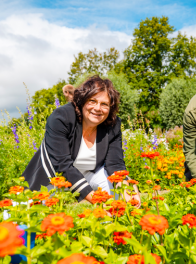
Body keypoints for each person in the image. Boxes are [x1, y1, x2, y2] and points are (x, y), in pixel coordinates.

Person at [23, 75, 141, 206]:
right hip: (53, 176)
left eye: (104, 104)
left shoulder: (112, 124)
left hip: (91, 173)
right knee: (23, 217)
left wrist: (128, 187)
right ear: (82, 101)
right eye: (92, 101)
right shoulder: (61, 117)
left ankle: (113, 223)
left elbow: (115, 163)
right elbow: (63, 165)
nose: (97, 108)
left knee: (116, 189)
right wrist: (96, 200)